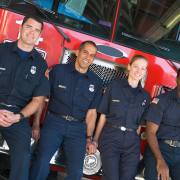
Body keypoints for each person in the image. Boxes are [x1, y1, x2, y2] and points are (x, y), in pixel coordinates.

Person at [29, 40, 102, 180]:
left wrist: (88, 138)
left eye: (92, 55)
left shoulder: (96, 82)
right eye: (85, 52)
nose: (87, 57)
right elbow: (42, 98)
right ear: (78, 52)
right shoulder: (57, 71)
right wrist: (36, 124)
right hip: (54, 123)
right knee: (41, 161)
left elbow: (92, 113)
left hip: (78, 129)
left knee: (76, 173)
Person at [0, 15, 50, 180]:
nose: (32, 32)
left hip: (17, 115)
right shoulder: (1, 50)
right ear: (21, 28)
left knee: (23, 156)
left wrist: (18, 116)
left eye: (37, 30)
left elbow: (37, 101)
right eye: (29, 27)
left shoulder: (41, 64)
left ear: (39, 35)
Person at [88, 55, 150, 180]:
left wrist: (137, 149)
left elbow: (138, 126)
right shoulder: (114, 86)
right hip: (111, 138)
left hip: (132, 143)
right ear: (129, 67)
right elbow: (103, 115)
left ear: (145, 72)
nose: (139, 71)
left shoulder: (145, 96)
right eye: (136, 67)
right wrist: (95, 139)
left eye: (143, 68)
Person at [144, 68, 180, 180]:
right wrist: (160, 161)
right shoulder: (162, 101)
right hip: (160, 150)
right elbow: (150, 132)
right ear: (177, 79)